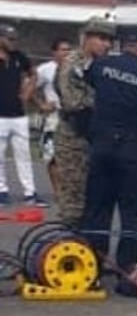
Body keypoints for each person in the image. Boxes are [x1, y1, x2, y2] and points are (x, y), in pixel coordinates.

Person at [80, 26, 137, 274]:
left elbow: (84, 93)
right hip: (135, 154)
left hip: (102, 149)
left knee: (97, 209)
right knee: (133, 213)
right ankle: (128, 267)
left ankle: (91, 265)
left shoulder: (101, 66)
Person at [56, 16, 115, 227]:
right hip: (74, 135)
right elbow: (74, 103)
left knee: (94, 196)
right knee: (74, 197)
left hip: (95, 137)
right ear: (86, 38)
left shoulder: (102, 65)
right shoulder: (73, 64)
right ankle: (70, 239)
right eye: (101, 38)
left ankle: (87, 239)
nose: (107, 45)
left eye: (109, 40)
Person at [0, 22, 47, 207]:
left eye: (15, 39)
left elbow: (33, 74)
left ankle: (30, 192)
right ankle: (2, 191)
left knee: (24, 154)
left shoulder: (19, 56)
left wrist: (28, 90)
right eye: (10, 39)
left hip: (18, 114)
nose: (14, 42)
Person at [35, 38, 71, 204]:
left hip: (72, 117)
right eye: (63, 50)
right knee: (53, 156)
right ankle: (58, 191)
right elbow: (28, 87)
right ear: (54, 52)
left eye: (68, 50)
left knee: (71, 157)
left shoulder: (76, 68)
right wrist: (41, 104)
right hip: (54, 118)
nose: (66, 53)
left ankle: (70, 190)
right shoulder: (45, 69)